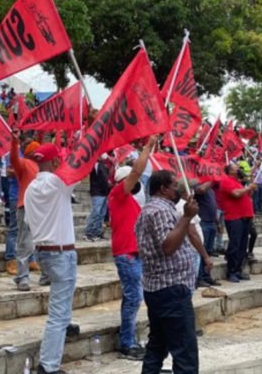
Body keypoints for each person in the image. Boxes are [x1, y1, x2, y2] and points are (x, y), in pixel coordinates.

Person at [24, 144, 80, 374]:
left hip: (43, 250)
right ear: (56, 162)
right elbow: (82, 164)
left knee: (61, 306)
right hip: (60, 251)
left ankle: (64, 328)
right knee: (57, 313)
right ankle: (48, 366)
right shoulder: (59, 182)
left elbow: (28, 222)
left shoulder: (30, 188)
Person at [136, 170, 199, 373]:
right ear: (163, 189)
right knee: (185, 354)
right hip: (170, 289)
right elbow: (168, 246)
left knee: (157, 346)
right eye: (174, 186)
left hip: (158, 288)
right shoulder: (160, 210)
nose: (178, 189)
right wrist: (187, 217)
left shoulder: (151, 208)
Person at [106, 136, 156, 360]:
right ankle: (126, 342)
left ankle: (128, 337)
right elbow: (137, 171)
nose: (137, 183)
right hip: (126, 255)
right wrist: (148, 147)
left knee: (133, 298)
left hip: (134, 253)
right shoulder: (118, 193)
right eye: (132, 180)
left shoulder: (131, 201)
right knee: (134, 297)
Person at [9, 130, 41, 291]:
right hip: (26, 207)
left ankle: (46, 275)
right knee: (25, 244)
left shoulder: (44, 167)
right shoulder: (23, 163)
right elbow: (13, 158)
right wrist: (14, 142)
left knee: (43, 243)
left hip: (41, 210)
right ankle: (22, 277)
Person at [217, 163, 256, 283]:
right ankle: (231, 271)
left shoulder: (238, 182)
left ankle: (238, 269)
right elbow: (236, 194)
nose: (238, 168)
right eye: (235, 167)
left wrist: (250, 188)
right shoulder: (226, 181)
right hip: (234, 217)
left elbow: (246, 195)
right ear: (229, 171)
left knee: (243, 245)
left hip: (245, 217)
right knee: (235, 244)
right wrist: (248, 188)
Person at [193, 179, 220, 286]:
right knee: (202, 250)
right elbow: (200, 190)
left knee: (208, 251)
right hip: (203, 221)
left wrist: (217, 223)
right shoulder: (199, 185)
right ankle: (200, 277)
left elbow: (214, 207)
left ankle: (207, 275)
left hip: (212, 222)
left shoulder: (211, 190)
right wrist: (212, 179)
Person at [84, 155, 111, 242]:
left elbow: (106, 176)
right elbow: (102, 178)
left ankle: (97, 232)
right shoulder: (95, 164)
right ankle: (89, 233)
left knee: (101, 214)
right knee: (96, 213)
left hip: (104, 192)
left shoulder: (103, 165)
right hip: (97, 192)